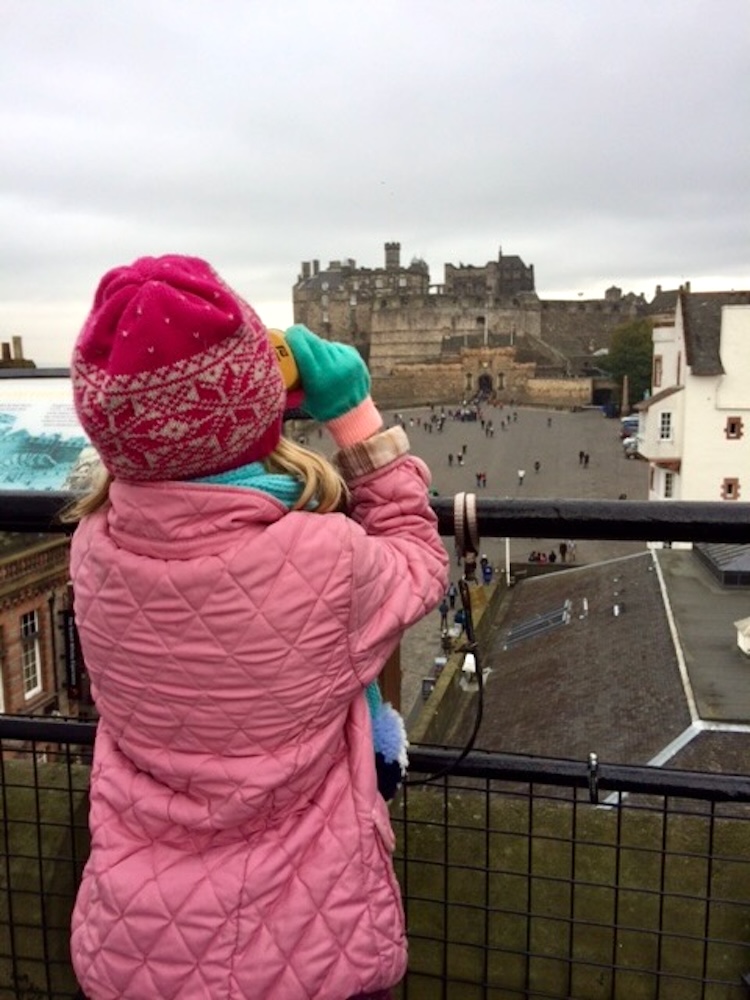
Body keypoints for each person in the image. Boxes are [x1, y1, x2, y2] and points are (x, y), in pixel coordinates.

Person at [63, 255, 449, 1000]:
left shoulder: (95, 552)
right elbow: (416, 557)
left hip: (137, 945)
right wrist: (355, 414)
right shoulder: (321, 557)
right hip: (304, 950)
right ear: (260, 404)